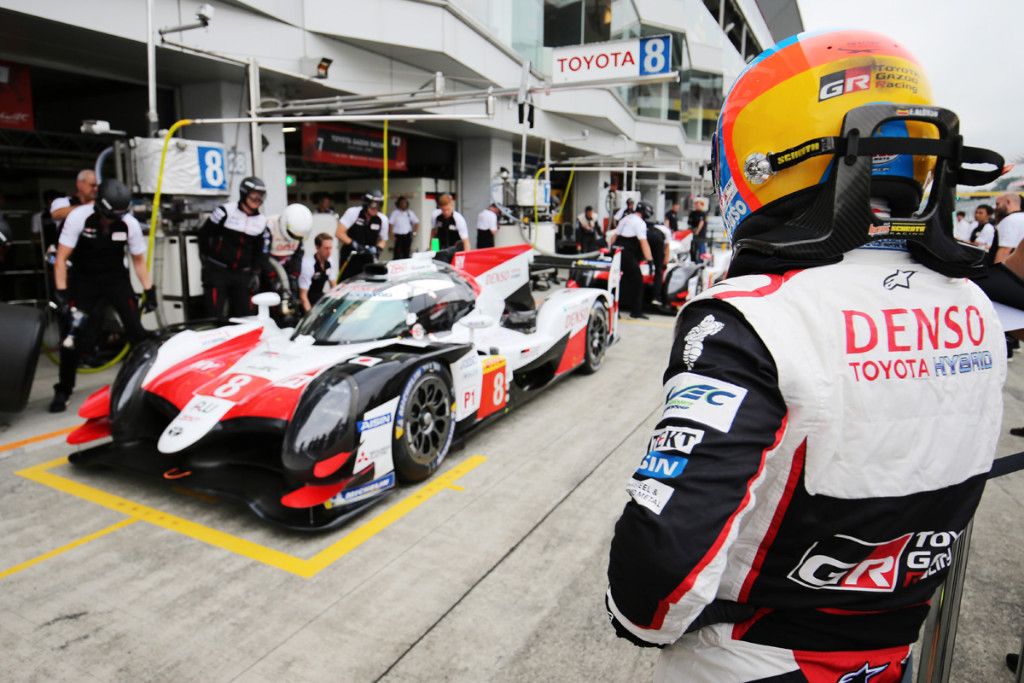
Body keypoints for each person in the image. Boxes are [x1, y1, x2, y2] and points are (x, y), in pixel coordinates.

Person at [606, 29, 1006, 682]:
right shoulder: (977, 307)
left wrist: (635, 608)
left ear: (768, 150)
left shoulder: (756, 313)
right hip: (890, 655)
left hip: (749, 658)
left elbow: (657, 577)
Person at [50, 179, 155, 412]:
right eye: (109, 215)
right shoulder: (78, 217)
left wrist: (150, 290)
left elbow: (139, 261)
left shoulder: (129, 224)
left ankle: (148, 383)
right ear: (99, 205)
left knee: (137, 333)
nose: (112, 220)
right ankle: (63, 390)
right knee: (72, 337)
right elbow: (61, 259)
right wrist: (61, 293)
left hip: (116, 280)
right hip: (84, 281)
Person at [199, 176, 269, 319]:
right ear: (244, 193)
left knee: (245, 316)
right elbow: (204, 234)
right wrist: (207, 260)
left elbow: (260, 252)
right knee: (214, 314)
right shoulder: (225, 211)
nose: (257, 199)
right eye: (254, 194)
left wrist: (255, 272)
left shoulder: (262, 222)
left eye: (261, 195)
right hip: (218, 271)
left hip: (243, 275)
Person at [608, 202, 653, 319]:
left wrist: (609, 252)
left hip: (617, 252)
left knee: (622, 281)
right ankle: (636, 312)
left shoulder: (626, 218)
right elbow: (644, 243)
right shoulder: (640, 223)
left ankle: (615, 310)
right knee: (638, 281)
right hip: (626, 254)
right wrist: (650, 260)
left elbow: (614, 237)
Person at [336, 189, 388, 279]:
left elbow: (383, 240)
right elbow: (339, 232)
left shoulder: (382, 219)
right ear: (366, 203)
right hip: (351, 256)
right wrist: (354, 244)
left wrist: (377, 249)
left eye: (378, 206)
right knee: (345, 283)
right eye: (373, 206)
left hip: (368, 258)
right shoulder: (353, 213)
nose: (375, 209)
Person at [638, 201, 670, 306]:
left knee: (637, 266)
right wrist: (664, 263)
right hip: (657, 240)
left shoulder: (648, 225)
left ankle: (638, 295)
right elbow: (667, 248)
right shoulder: (666, 230)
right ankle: (656, 297)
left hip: (645, 237)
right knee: (659, 271)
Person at [298, 232, 336, 312]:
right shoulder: (308, 265)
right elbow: (303, 296)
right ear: (317, 248)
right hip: (305, 300)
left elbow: (334, 287)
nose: (329, 252)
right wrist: (310, 317)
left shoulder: (330, 261)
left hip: (319, 298)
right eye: (326, 248)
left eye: (330, 248)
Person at [993, 193, 1024, 263]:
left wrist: (996, 273)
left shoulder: (1009, 220)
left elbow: (1004, 251)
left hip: (1010, 269)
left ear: (1008, 202)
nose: (996, 208)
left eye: (998, 204)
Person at [387, 195, 418, 259]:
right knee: (397, 254)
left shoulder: (409, 213)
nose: (404, 204)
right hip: (398, 236)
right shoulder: (395, 213)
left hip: (407, 236)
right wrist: (391, 235)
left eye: (405, 203)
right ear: (399, 204)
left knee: (406, 253)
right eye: (402, 203)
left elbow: (416, 222)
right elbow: (390, 224)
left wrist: (415, 232)